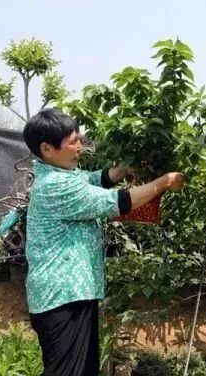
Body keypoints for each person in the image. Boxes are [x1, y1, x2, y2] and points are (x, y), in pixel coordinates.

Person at [22, 108, 184, 376]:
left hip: (72, 295)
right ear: (47, 149)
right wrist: (163, 183)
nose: (80, 148)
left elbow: (95, 179)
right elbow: (118, 202)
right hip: (62, 298)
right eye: (72, 142)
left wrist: (124, 169)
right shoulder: (56, 186)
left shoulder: (59, 174)